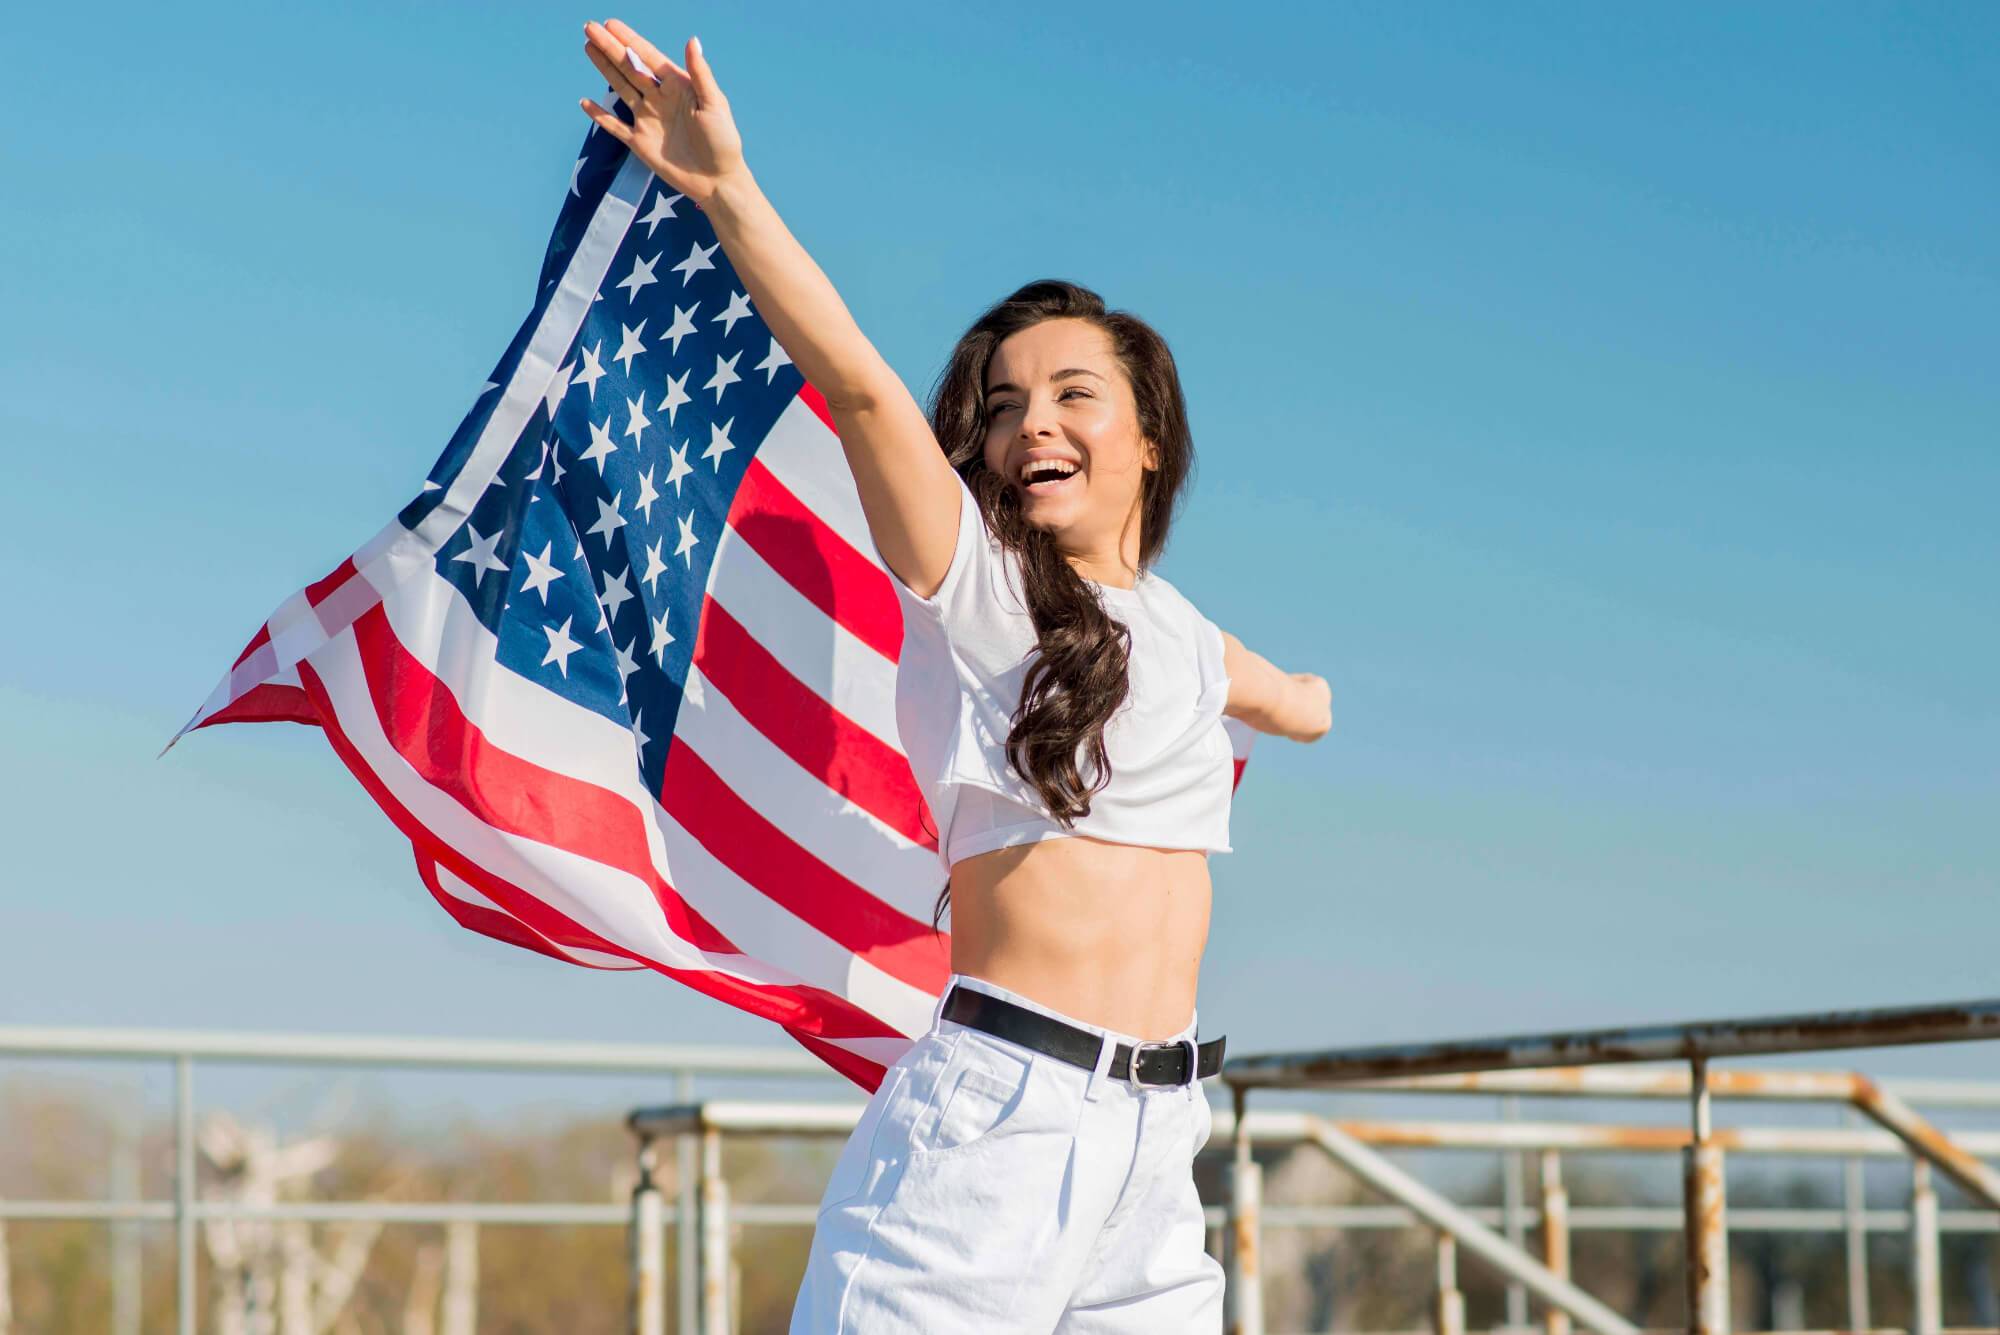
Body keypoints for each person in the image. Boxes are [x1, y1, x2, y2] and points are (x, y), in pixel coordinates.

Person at [578, 19, 1333, 1332]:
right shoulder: (983, 593)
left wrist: (1306, 698)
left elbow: (1300, 702)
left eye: (1074, 393)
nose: (1031, 418)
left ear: (1150, 442)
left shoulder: (1186, 634)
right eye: (1001, 403)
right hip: (998, 1125)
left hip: (1159, 1146)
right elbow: (864, 389)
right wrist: (730, 193)